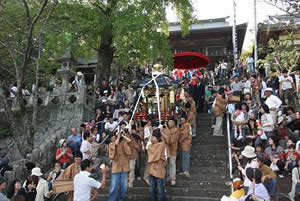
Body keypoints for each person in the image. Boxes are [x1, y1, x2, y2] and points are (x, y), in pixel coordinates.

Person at [107, 130, 132, 201]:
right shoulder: (111, 144)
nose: (113, 139)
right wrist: (118, 138)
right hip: (116, 168)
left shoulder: (123, 142)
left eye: (114, 137)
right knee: (114, 187)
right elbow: (112, 155)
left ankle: (121, 199)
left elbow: (129, 141)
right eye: (112, 138)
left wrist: (122, 135)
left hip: (124, 167)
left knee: (124, 187)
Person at [147, 129, 168, 201]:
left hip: (160, 169)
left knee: (160, 190)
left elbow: (155, 155)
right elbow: (148, 149)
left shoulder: (162, 145)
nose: (152, 139)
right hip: (152, 169)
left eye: (154, 137)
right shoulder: (152, 145)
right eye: (152, 137)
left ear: (158, 138)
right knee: (152, 190)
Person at [179, 113, 192, 178]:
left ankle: (186, 170)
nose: (182, 121)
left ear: (186, 120)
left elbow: (185, 134)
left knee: (185, 156)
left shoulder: (186, 125)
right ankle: (184, 170)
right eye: (181, 120)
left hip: (185, 143)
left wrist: (180, 140)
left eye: (183, 120)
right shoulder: (184, 125)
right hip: (184, 144)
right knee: (183, 156)